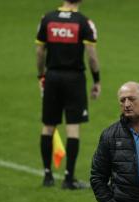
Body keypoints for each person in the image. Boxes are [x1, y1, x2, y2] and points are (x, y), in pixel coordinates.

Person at [35, 0, 101, 189]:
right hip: (75, 79)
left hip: (52, 77)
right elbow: (92, 55)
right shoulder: (84, 22)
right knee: (73, 127)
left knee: (48, 125)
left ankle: (47, 176)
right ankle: (68, 178)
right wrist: (97, 80)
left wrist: (41, 75)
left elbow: (40, 51)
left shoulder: (47, 19)